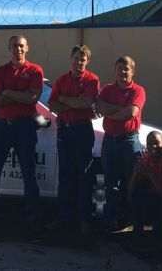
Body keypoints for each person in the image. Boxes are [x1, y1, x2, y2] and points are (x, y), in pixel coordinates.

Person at [0, 34, 44, 237]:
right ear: (9, 48)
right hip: (2, 127)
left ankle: (35, 223)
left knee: (29, 174)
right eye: (15, 46)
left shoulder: (35, 70)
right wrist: (20, 95)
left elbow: (32, 98)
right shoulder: (0, 72)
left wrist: (8, 92)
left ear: (27, 48)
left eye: (21, 46)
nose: (18, 49)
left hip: (25, 127)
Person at [48, 45, 100, 235]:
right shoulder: (61, 80)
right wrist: (73, 102)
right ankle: (64, 218)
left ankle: (84, 219)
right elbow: (52, 105)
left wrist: (64, 99)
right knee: (65, 176)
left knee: (84, 175)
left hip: (82, 130)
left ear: (87, 61)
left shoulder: (92, 79)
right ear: (71, 58)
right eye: (76, 58)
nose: (79, 62)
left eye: (83, 59)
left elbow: (85, 103)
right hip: (65, 131)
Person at [95, 56, 146, 232]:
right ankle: (111, 221)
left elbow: (131, 113)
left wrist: (111, 112)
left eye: (126, 69)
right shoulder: (107, 89)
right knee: (111, 183)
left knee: (132, 181)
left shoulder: (138, 90)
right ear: (115, 70)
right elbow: (99, 107)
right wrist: (120, 110)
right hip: (110, 140)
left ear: (133, 71)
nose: (123, 72)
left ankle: (134, 222)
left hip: (128, 141)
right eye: (120, 69)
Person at [128, 130, 162, 243]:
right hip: (157, 196)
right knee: (137, 196)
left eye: (156, 143)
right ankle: (138, 234)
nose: (153, 146)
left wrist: (150, 174)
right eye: (150, 143)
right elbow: (130, 193)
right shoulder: (145, 160)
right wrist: (135, 174)